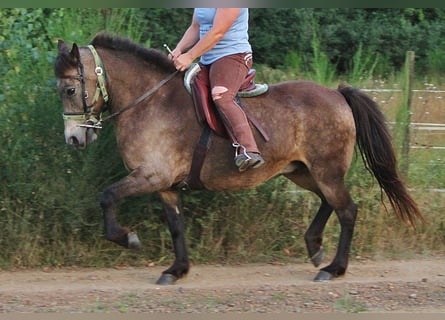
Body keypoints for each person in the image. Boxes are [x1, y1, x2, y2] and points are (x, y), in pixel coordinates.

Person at [168, 8, 265, 172]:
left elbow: (217, 32)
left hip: (234, 55)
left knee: (221, 96)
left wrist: (190, 56)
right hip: (207, 60)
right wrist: (179, 49)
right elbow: (195, 28)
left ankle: (249, 150)